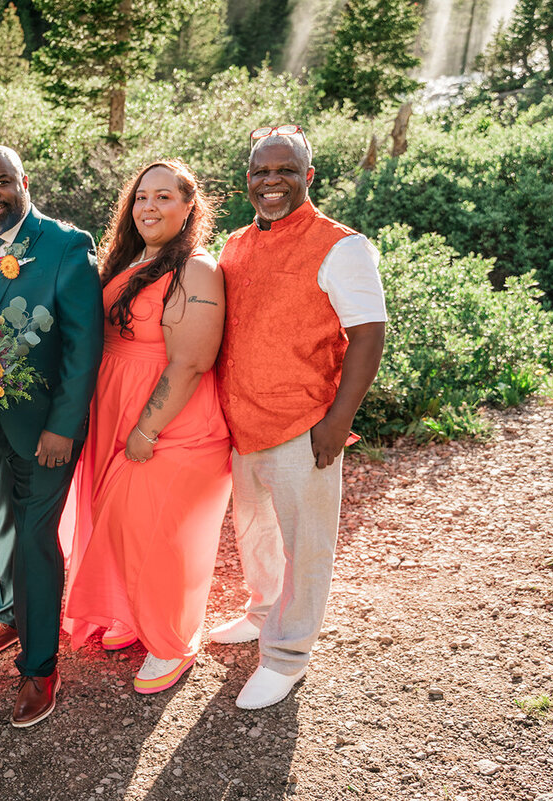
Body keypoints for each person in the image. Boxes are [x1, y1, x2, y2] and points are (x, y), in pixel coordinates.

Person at [210, 125, 386, 709]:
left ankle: (288, 656)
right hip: (241, 423)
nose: (273, 181)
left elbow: (367, 335)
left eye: (286, 170)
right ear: (248, 181)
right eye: (262, 171)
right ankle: (263, 613)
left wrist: (337, 422)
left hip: (304, 423)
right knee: (256, 534)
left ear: (309, 176)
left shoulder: (342, 246)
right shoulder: (236, 244)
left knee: (306, 544)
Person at [0, 144, 103, 728]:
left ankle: (40, 667)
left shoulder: (64, 244)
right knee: (1, 523)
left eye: (1, 182)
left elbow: (85, 345)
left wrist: (63, 426)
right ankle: (10, 611)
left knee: (36, 536)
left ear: (23, 182)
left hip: (46, 430)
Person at [61, 160, 232, 694]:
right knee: (116, 521)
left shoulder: (196, 270)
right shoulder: (135, 260)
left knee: (154, 528)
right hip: (115, 404)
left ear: (189, 207)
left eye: (163, 197)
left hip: (169, 418)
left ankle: (172, 642)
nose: (149, 207)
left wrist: (146, 429)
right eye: (140, 198)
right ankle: (131, 617)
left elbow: (190, 362)